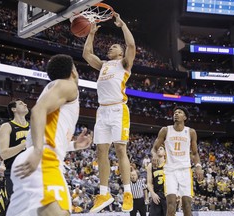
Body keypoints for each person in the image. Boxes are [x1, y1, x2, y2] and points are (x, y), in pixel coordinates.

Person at [6, 54, 92, 216]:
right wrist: (39, 151)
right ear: (73, 70)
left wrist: (74, 145)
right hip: (43, 160)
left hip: (31, 162)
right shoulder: (68, 85)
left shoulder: (56, 91)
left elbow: (49, 132)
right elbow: (38, 111)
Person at [83, 12, 136, 213]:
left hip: (118, 109)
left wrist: (122, 25)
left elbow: (131, 46)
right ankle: (104, 193)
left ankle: (127, 193)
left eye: (114, 47)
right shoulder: (103, 65)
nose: (110, 48)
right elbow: (87, 54)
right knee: (101, 151)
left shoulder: (124, 64)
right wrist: (91, 34)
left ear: (121, 53)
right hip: (102, 111)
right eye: (110, 46)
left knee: (120, 150)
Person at [151, 106, 204, 216]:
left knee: (187, 205)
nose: (176, 114)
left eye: (179, 112)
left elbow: (194, 153)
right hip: (170, 170)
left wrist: (198, 166)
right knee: (170, 204)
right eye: (175, 112)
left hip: (185, 170)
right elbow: (154, 148)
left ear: (185, 117)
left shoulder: (190, 132)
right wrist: (155, 154)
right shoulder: (165, 130)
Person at [0, 98, 29, 214]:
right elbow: (4, 153)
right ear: (14, 109)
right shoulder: (7, 126)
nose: (25, 104)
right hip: (14, 173)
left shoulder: (33, 127)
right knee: (12, 209)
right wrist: (24, 144)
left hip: (32, 173)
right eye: (21, 103)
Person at [147, 146, 167, 216]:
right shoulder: (151, 165)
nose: (158, 150)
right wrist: (152, 194)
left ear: (165, 153)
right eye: (157, 149)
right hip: (157, 195)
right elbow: (149, 183)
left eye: (161, 149)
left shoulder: (169, 164)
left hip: (167, 194)